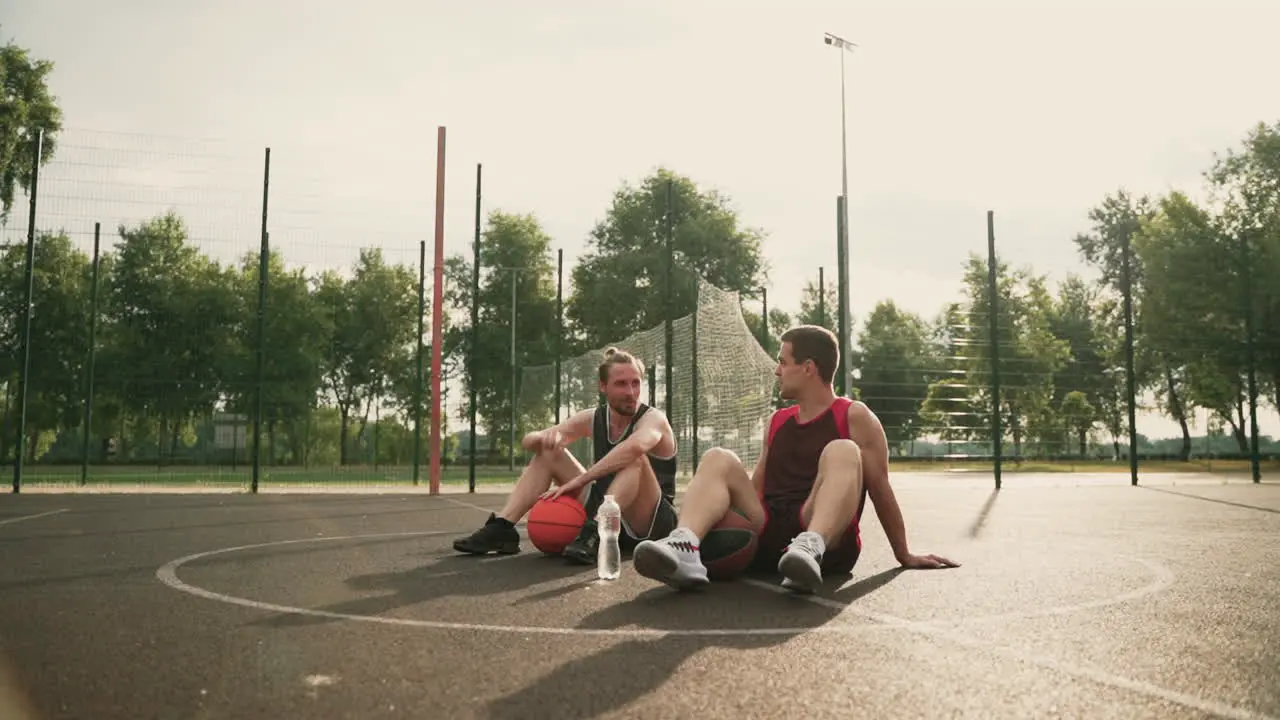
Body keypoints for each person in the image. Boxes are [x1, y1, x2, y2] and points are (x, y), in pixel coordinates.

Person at [632, 324, 958, 593]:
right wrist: (710, 522)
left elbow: (881, 489)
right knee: (719, 457)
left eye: (783, 362)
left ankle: (810, 547)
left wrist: (904, 554)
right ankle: (685, 547)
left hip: (822, 535)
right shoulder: (777, 421)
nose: (777, 370)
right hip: (772, 530)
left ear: (808, 368)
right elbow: (755, 488)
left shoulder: (854, 416)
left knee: (842, 450)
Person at [453, 347, 680, 565]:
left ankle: (594, 531)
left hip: (651, 522)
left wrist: (580, 480)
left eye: (635, 383)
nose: (630, 392)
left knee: (636, 458)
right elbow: (530, 440)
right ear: (603, 386)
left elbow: (633, 448)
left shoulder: (653, 419)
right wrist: (545, 438)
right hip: (608, 511)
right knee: (550, 451)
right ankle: (503, 527)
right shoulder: (594, 418)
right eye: (621, 384)